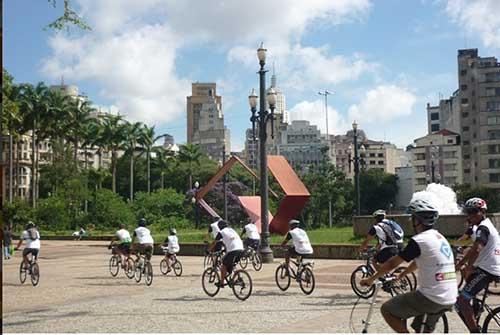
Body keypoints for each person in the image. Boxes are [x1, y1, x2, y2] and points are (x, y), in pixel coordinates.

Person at [360, 199, 457, 333]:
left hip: (432, 297)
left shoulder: (419, 240)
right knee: (420, 329)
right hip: (450, 296)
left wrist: (371, 279)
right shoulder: (439, 238)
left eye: (412, 218)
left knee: (388, 310)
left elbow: (392, 263)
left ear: (417, 220)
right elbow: (418, 261)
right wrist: (401, 275)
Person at [456, 197, 500, 333]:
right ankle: (475, 309)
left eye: (474, 211)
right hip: (486, 267)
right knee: (469, 286)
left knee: (462, 300)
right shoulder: (481, 226)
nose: (471, 215)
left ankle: (475, 331)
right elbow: (469, 244)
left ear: (482, 211)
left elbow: (477, 248)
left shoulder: (483, 228)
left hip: (487, 270)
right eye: (468, 212)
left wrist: (465, 266)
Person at [209, 220, 243, 287]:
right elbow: (230, 240)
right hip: (241, 249)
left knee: (223, 265)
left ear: (219, 227)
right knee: (233, 264)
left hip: (233, 250)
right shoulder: (232, 230)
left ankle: (221, 283)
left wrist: (208, 250)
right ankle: (238, 278)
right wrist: (225, 249)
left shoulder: (221, 232)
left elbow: (214, 243)